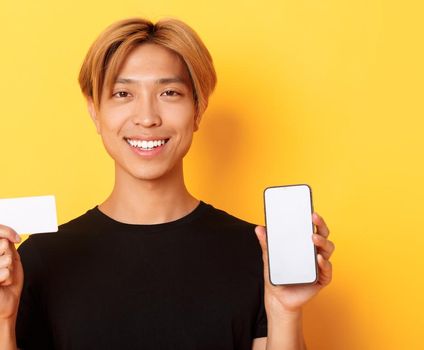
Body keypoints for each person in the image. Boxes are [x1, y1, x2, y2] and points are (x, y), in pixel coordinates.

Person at [0, 17, 335, 350]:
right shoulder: (39, 261)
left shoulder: (258, 255)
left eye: (169, 92)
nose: (147, 117)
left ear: (199, 109)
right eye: (122, 93)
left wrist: (284, 309)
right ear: (94, 111)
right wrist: (2, 322)